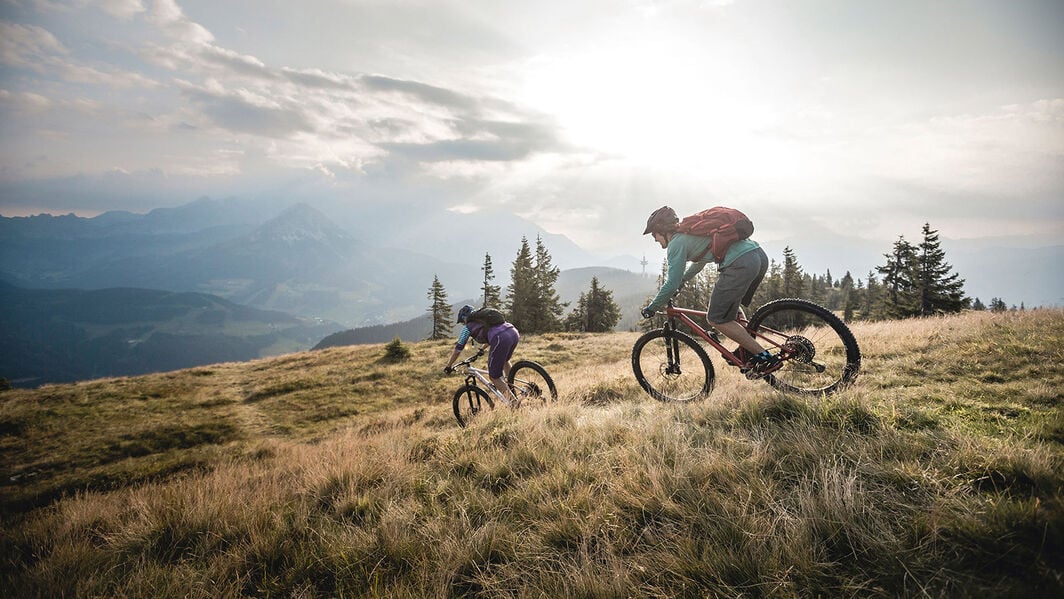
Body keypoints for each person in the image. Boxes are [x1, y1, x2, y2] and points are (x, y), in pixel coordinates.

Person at [640, 206, 781, 375]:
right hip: (757, 255)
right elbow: (699, 262)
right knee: (729, 307)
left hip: (740, 264)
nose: (654, 240)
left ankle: (765, 357)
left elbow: (671, 282)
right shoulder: (689, 233)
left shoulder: (676, 244)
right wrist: (683, 281)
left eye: (654, 235)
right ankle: (747, 348)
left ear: (660, 230)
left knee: (716, 318)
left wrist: (652, 308)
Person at [444, 305, 521, 402]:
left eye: (462, 322)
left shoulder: (467, 328)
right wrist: (482, 349)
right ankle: (512, 388)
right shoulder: (485, 319)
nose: (463, 324)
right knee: (505, 360)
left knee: (494, 377)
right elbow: (492, 332)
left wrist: (449, 366)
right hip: (513, 332)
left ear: (464, 318)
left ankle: (514, 404)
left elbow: (458, 349)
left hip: (500, 338)